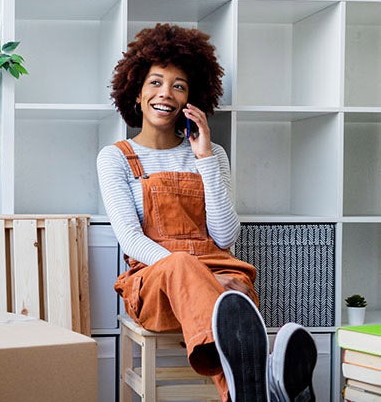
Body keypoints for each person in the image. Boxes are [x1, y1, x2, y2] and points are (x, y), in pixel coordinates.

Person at [97, 23, 317, 402]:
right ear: (136, 92)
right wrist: (193, 273)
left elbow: (225, 237)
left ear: (191, 99)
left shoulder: (213, 155)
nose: (166, 93)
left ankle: (246, 391)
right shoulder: (115, 157)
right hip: (156, 282)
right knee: (188, 270)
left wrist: (204, 159)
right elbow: (131, 239)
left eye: (178, 85)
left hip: (218, 271)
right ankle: (264, 378)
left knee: (235, 287)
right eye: (155, 82)